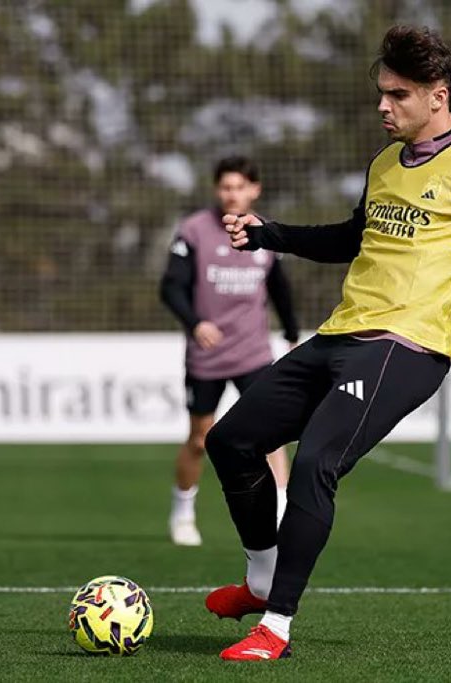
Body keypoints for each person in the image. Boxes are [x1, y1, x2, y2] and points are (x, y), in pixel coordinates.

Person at [204, 26, 451, 660]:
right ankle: (261, 579)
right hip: (341, 333)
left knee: (313, 465)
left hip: (408, 345)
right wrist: (269, 234)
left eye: (398, 94)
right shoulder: (385, 163)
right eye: (381, 93)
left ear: (438, 97)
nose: (383, 106)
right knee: (232, 441)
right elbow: (351, 240)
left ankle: (274, 628)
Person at [159, 156, 299, 547]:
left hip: (254, 353)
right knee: (201, 439)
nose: (232, 194)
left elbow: (280, 288)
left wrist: (291, 334)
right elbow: (170, 287)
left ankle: (282, 511)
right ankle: (183, 512)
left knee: (271, 436)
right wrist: (195, 323)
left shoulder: (263, 233)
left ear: (254, 190)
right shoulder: (194, 231)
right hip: (207, 356)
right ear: (217, 190)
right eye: (225, 187)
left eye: (240, 187)